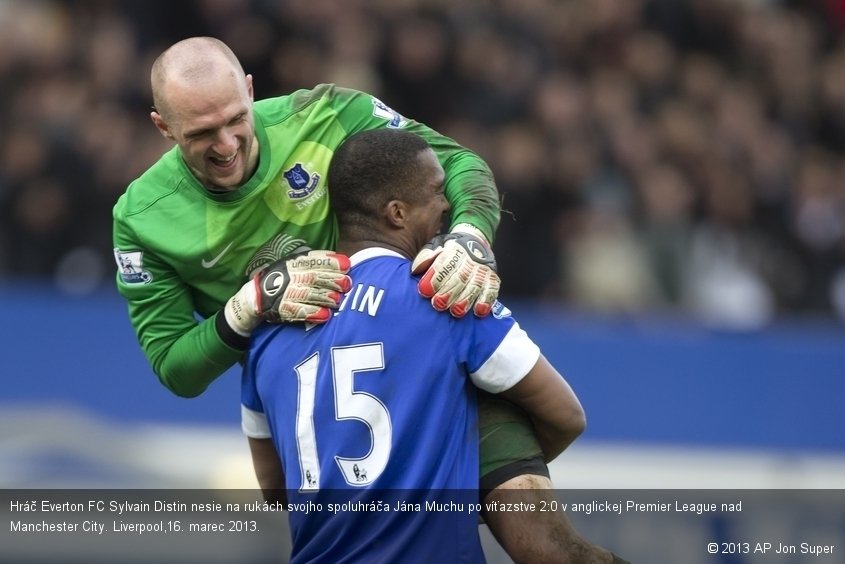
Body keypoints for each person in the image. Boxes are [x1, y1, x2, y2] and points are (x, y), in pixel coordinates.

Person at [111, 36, 594, 562]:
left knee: (551, 549)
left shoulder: (327, 113)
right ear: (162, 126)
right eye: (201, 134)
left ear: (250, 91)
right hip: (309, 391)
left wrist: (469, 238)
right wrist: (246, 306)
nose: (226, 144)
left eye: (235, 120)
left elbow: (456, 166)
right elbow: (173, 366)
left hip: (422, 351)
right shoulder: (140, 219)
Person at [242, 128, 624, 563]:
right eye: (437, 192)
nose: (447, 205)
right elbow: (566, 414)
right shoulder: (442, 295)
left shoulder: (267, 331)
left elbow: (274, 487)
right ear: (397, 213)